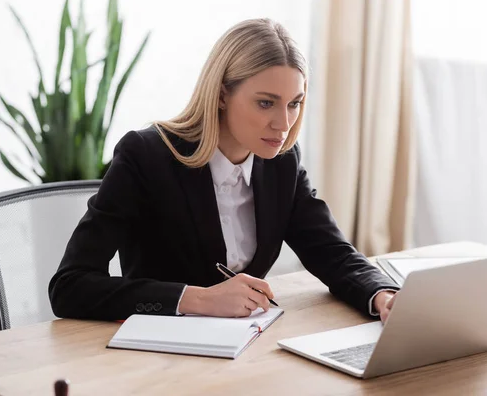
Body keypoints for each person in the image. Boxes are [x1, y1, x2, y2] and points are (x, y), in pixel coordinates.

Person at [49, 18, 399, 323]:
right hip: (159, 357)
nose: (284, 123)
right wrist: (198, 299)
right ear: (221, 95)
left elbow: (332, 253)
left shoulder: (282, 164)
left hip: (245, 349)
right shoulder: (146, 156)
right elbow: (70, 285)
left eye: (294, 103)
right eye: (266, 103)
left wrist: (384, 296)